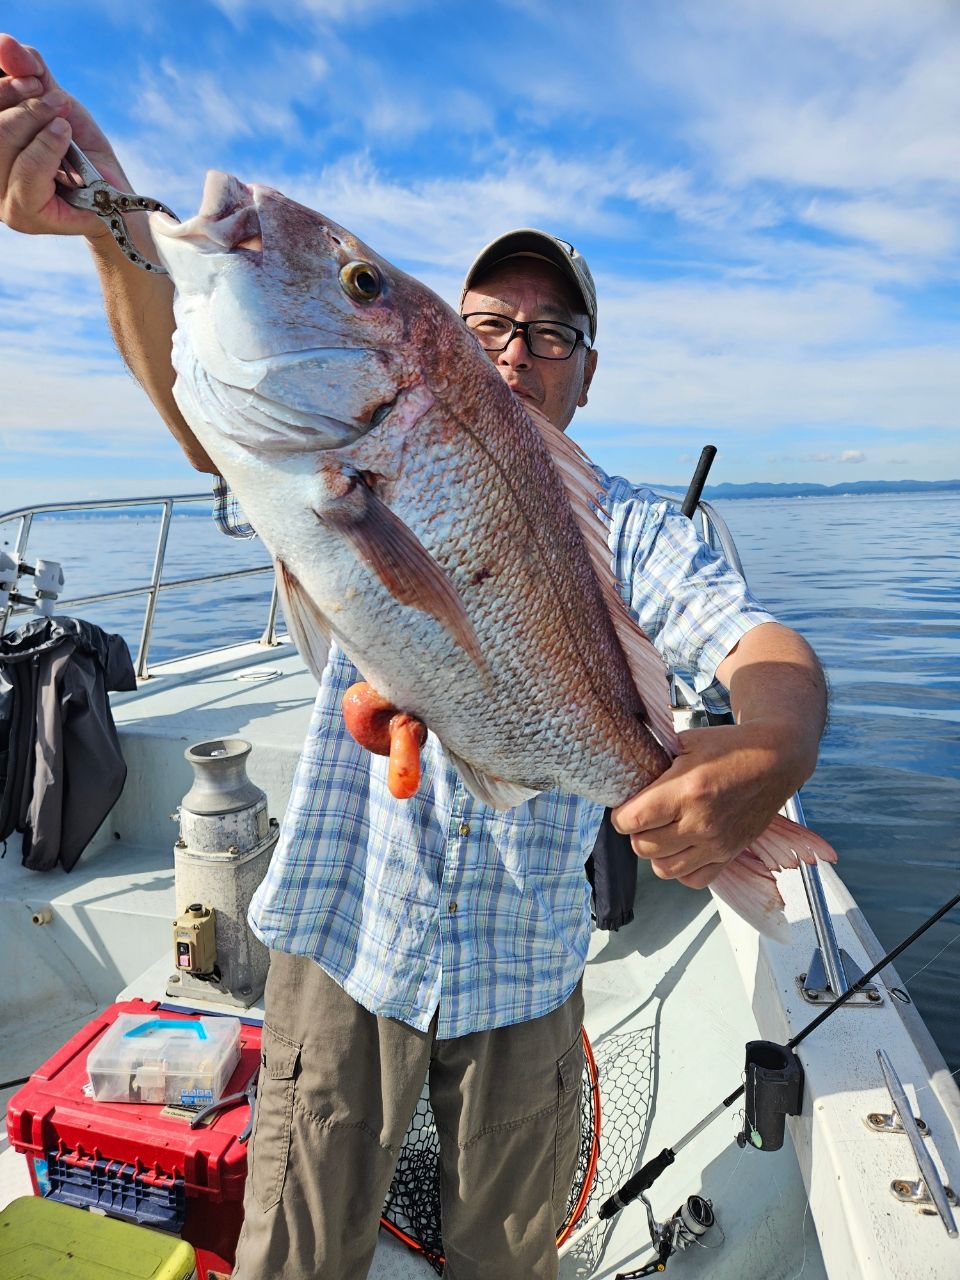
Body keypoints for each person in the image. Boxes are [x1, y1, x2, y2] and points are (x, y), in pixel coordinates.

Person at [0, 35, 828, 1280]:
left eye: (554, 333)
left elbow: (755, 640)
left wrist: (778, 744)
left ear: (589, 370)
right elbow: (205, 407)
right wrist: (108, 204)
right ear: (452, 345)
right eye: (489, 323)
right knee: (294, 1253)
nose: (518, 350)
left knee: (506, 1260)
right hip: (344, 945)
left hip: (526, 979)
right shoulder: (323, 457)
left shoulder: (634, 526)